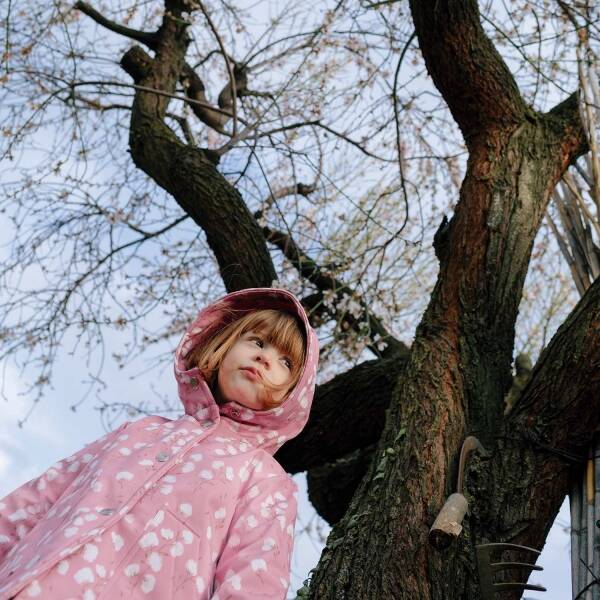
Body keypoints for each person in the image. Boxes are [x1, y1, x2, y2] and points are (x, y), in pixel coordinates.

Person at [0, 287, 319, 599]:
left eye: (286, 363)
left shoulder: (264, 480)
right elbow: (38, 499)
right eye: (257, 341)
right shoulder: (139, 431)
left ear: (294, 393)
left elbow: (253, 585)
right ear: (224, 345)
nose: (264, 357)